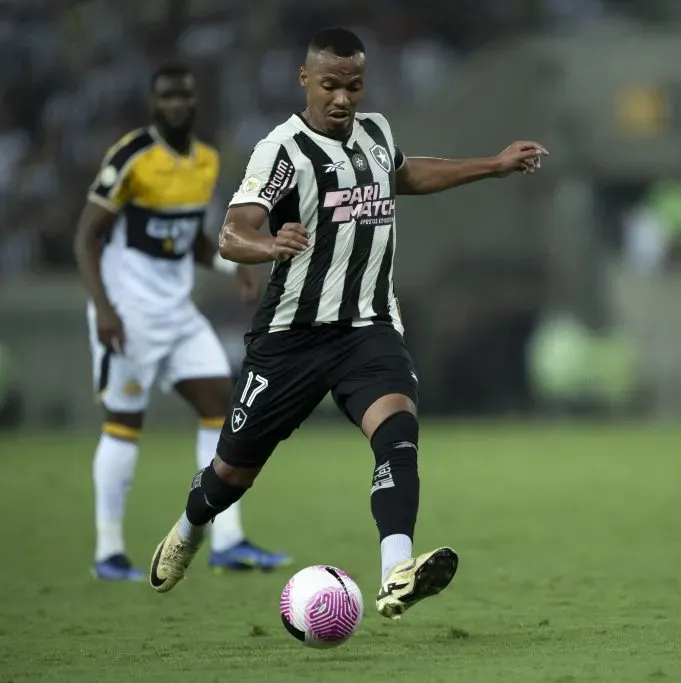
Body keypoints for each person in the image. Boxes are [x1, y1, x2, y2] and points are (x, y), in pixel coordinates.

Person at [147, 28, 548, 622]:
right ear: (306, 80)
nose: (342, 98)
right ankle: (188, 528)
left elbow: (406, 176)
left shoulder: (377, 133)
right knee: (232, 471)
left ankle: (396, 573)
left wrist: (494, 164)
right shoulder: (281, 151)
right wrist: (269, 246)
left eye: (353, 85)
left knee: (398, 435)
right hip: (291, 338)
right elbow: (234, 231)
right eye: (330, 85)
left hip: (368, 327)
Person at [74, 64, 292, 581]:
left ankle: (229, 541)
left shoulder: (206, 161)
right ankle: (108, 551)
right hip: (128, 314)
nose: (177, 104)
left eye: (185, 96)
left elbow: (185, 237)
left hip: (177, 313)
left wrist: (230, 264)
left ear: (196, 103)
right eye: (167, 96)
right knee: (124, 423)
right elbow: (86, 237)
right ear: (153, 103)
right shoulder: (131, 157)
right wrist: (104, 309)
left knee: (224, 405)